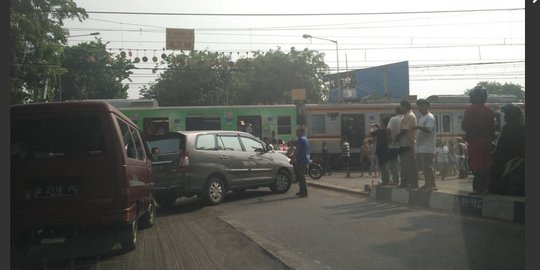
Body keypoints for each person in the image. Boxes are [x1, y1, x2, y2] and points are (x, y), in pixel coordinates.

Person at [461, 86, 495, 195]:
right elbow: (492, 128)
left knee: (477, 165)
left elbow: (464, 126)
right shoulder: (489, 110)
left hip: (475, 141)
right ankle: (487, 187)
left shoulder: (470, 109)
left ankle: (479, 188)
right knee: (486, 164)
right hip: (487, 140)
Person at [490, 104, 525, 196]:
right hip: (518, 156)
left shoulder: (508, 127)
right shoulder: (521, 126)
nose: (504, 116)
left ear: (510, 115)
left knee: (493, 168)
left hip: (510, 158)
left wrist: (492, 155)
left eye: (506, 114)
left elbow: (501, 147)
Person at [413, 99, 437, 191]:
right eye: (419, 106)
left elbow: (428, 129)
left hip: (428, 147)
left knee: (427, 167)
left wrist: (417, 127)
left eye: (422, 106)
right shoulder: (422, 117)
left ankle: (432, 185)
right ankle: (427, 184)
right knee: (423, 168)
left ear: (427, 106)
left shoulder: (429, 117)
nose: (420, 108)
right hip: (421, 147)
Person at [395, 100, 418, 189]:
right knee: (404, 165)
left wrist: (397, 137)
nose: (400, 108)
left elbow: (405, 130)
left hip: (408, 144)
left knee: (410, 166)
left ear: (404, 106)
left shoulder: (410, 116)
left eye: (401, 106)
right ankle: (405, 182)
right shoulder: (406, 116)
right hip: (404, 144)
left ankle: (412, 183)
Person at [370, 117, 392, 185]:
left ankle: (384, 181)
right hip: (387, 149)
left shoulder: (379, 131)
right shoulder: (388, 130)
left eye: (381, 122)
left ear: (383, 123)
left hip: (380, 150)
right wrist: (378, 126)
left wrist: (372, 127)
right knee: (387, 165)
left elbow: (371, 133)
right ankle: (388, 180)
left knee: (382, 166)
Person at [387, 106, 404, 185]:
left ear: (396, 111)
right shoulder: (406, 118)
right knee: (403, 163)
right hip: (404, 144)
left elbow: (388, 130)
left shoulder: (393, 119)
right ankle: (404, 180)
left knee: (393, 163)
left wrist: (389, 140)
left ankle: (395, 180)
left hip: (393, 145)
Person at [292, 127, 310, 197]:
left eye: (297, 132)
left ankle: (304, 193)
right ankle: (301, 191)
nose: (296, 133)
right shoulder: (305, 139)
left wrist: (292, 158)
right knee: (300, 176)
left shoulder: (300, 139)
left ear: (302, 132)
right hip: (305, 159)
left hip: (301, 160)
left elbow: (297, 150)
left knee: (301, 177)